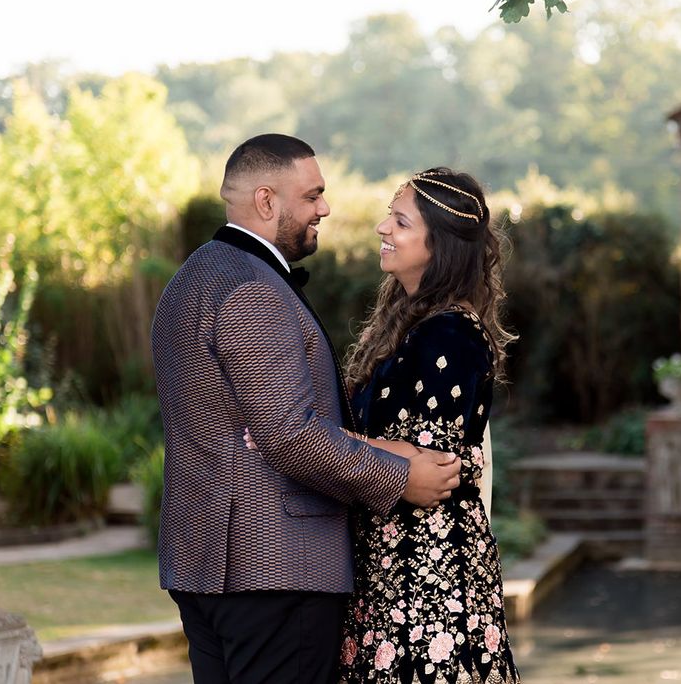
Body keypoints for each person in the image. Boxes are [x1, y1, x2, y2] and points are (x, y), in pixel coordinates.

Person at [150, 134, 464, 684]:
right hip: (275, 567)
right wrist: (401, 476)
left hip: (204, 566)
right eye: (313, 195)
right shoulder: (254, 291)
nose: (325, 208)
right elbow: (289, 435)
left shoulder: (189, 279)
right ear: (267, 202)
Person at [338, 168, 520, 683]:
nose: (382, 229)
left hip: (429, 579)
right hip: (391, 567)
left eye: (400, 221)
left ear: (437, 244)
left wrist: (322, 442)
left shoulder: (451, 334)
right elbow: (393, 453)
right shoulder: (410, 321)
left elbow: (431, 467)